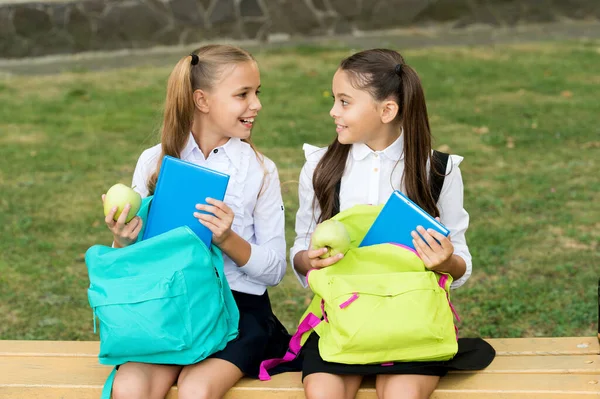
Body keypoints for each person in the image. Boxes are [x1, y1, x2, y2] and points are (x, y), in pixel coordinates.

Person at [290, 48, 495, 399]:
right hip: (342, 324)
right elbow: (299, 248)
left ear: (387, 110)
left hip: (410, 327)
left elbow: (461, 262)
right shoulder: (321, 167)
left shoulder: (439, 172)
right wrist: (308, 261)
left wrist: (444, 261)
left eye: (344, 102)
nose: (333, 112)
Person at [102, 44, 292, 399]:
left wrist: (228, 239)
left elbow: (275, 270)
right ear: (202, 101)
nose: (256, 104)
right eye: (243, 94)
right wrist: (124, 239)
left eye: (257, 93)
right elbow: (134, 264)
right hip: (167, 305)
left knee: (197, 390)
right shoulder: (154, 161)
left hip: (236, 312)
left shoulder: (260, 171)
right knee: (130, 386)